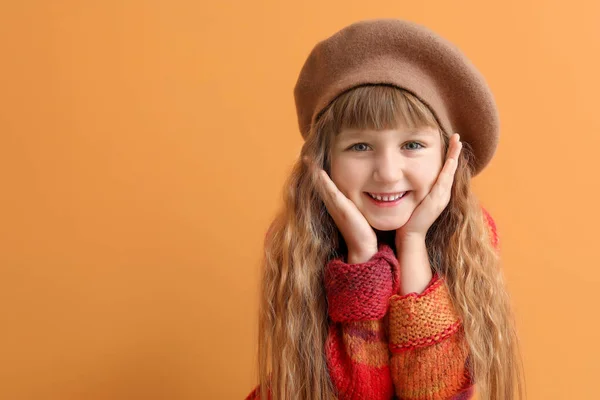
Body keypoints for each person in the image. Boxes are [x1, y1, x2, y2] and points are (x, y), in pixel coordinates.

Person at [245, 18, 525, 400]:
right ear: (323, 161)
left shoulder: (469, 237)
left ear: (448, 156)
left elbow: (434, 394)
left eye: (412, 145)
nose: (389, 174)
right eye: (360, 146)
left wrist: (413, 243)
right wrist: (361, 262)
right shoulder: (299, 242)